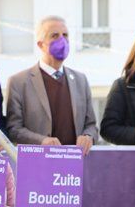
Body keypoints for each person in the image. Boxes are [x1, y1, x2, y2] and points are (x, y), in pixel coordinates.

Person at [6, 16, 99, 154]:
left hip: (74, 165)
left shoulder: (81, 80)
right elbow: (14, 130)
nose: (62, 40)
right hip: (38, 165)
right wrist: (41, 141)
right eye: (54, 35)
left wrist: (88, 136)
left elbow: (91, 125)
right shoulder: (19, 82)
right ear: (40, 44)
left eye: (65, 35)